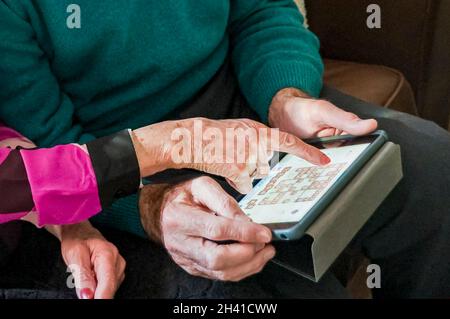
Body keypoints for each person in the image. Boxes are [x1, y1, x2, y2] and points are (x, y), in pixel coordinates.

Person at [0, 0, 449, 299]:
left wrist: (285, 98)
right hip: (126, 167)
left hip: (247, 105)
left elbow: (261, 15)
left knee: (432, 169)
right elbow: (52, 155)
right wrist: (151, 206)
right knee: (253, 284)